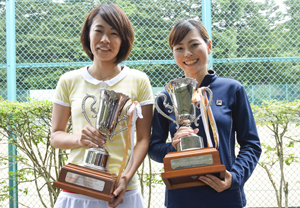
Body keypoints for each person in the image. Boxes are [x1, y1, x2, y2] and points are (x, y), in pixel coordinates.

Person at [148, 19, 261, 208]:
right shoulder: (167, 97)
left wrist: (234, 178)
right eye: (179, 48)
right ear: (173, 53)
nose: (188, 53)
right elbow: (154, 149)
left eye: (194, 45)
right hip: (181, 196)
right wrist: (174, 146)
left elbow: (251, 144)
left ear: (208, 46)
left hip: (225, 195)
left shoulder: (232, 89)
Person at [51, 3, 153, 208]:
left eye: (114, 33)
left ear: (123, 40)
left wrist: (126, 177)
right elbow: (56, 136)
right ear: (88, 34)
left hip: (123, 191)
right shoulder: (68, 80)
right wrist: (79, 138)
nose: (105, 39)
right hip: (77, 188)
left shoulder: (139, 80)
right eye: (99, 31)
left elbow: (143, 139)